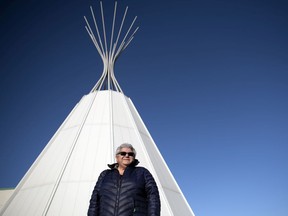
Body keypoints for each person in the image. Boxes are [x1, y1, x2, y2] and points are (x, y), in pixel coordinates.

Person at [88, 143, 161, 216]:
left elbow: (153, 198)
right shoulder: (105, 175)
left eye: (130, 154)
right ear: (117, 157)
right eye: (123, 153)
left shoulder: (142, 173)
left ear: (134, 157)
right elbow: (94, 201)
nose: (127, 155)